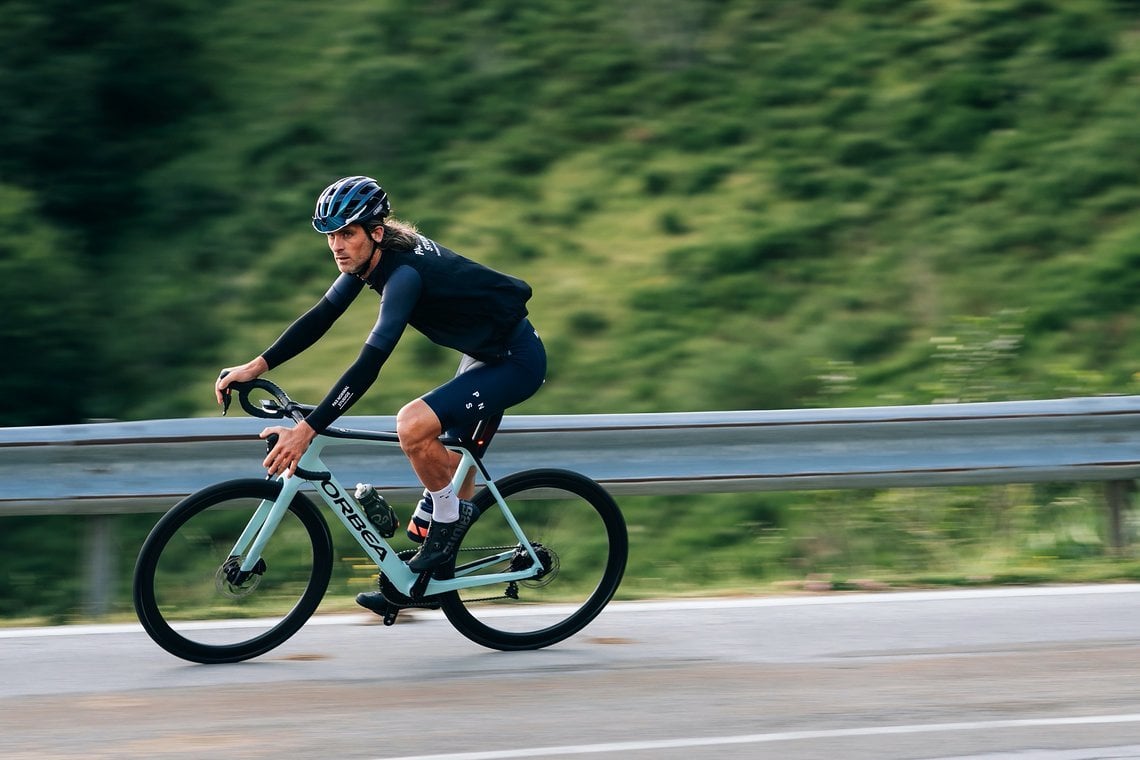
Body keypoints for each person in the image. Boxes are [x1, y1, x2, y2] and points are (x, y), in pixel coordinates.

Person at [214, 175, 546, 607]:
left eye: (347, 234)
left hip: (515, 362)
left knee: (412, 425)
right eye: (331, 235)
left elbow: (370, 364)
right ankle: (421, 584)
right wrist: (256, 365)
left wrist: (308, 430)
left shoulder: (403, 273)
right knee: (433, 500)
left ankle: (448, 521)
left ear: (375, 232)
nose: (337, 245)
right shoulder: (368, 258)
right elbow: (321, 317)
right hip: (485, 354)